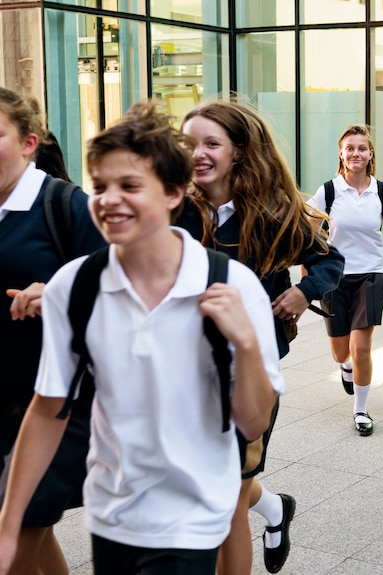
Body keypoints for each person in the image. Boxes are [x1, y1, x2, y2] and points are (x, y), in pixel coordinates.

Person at [0, 100, 283, 575]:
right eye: (100, 186)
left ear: (173, 193)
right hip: (112, 516)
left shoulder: (231, 285)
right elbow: (48, 410)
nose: (109, 199)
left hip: (193, 517)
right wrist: (8, 525)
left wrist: (247, 345)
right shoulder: (76, 284)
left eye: (129, 185)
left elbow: (253, 423)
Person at [178, 100, 344, 575]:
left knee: (227, 500)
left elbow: (330, 261)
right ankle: (273, 508)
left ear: (239, 151)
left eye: (212, 143)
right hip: (182, 368)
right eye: (190, 143)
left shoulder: (275, 211)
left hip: (248, 371)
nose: (199, 153)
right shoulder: (174, 208)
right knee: (203, 483)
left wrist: (301, 291)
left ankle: (260, 510)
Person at [0, 87, 105, 575]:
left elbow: (116, 285)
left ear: (28, 142)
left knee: (17, 528)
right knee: (29, 534)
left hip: (55, 401)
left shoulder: (66, 205)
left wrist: (60, 290)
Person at [307, 124, 383, 437]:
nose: (356, 153)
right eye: (350, 148)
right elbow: (308, 237)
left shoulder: (381, 192)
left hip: (371, 275)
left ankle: (361, 410)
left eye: (362, 148)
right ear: (341, 153)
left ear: (370, 154)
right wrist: (307, 280)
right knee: (341, 353)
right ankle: (346, 367)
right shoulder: (328, 191)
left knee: (361, 346)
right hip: (334, 277)